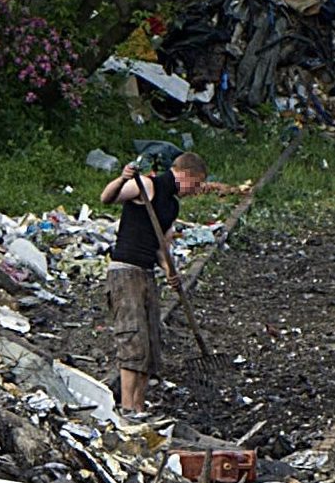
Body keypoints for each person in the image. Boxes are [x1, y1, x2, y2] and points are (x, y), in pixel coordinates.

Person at [96, 142, 240, 414]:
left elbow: (162, 244)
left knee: (150, 345)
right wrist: (123, 178)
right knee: (132, 340)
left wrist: (170, 272)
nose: (195, 191)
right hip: (125, 270)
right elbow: (108, 198)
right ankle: (128, 410)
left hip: (147, 272)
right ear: (185, 174)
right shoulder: (148, 186)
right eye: (195, 184)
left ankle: (139, 407)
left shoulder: (171, 206)